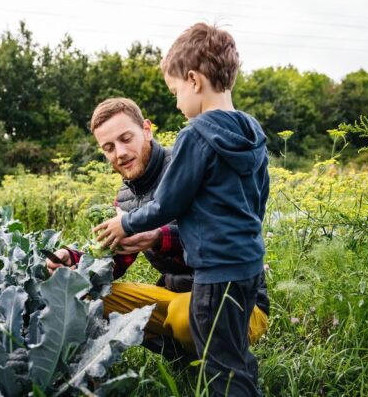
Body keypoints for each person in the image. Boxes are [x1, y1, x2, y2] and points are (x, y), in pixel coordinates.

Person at [94, 24, 269, 396]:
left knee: (221, 368)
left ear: (193, 80)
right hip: (247, 269)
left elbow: (167, 203)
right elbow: (260, 200)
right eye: (109, 146)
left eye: (175, 91)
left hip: (214, 276)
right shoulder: (252, 131)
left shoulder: (195, 135)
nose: (176, 103)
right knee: (235, 360)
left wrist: (127, 222)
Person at [45, 97, 269, 365]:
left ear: (147, 130)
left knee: (183, 316)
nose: (120, 153)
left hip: (234, 302)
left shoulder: (188, 163)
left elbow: (219, 231)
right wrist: (74, 260)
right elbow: (115, 260)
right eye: (108, 147)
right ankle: (180, 353)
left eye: (126, 138)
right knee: (86, 295)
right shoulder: (125, 198)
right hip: (178, 296)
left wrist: (156, 236)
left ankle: (213, 363)